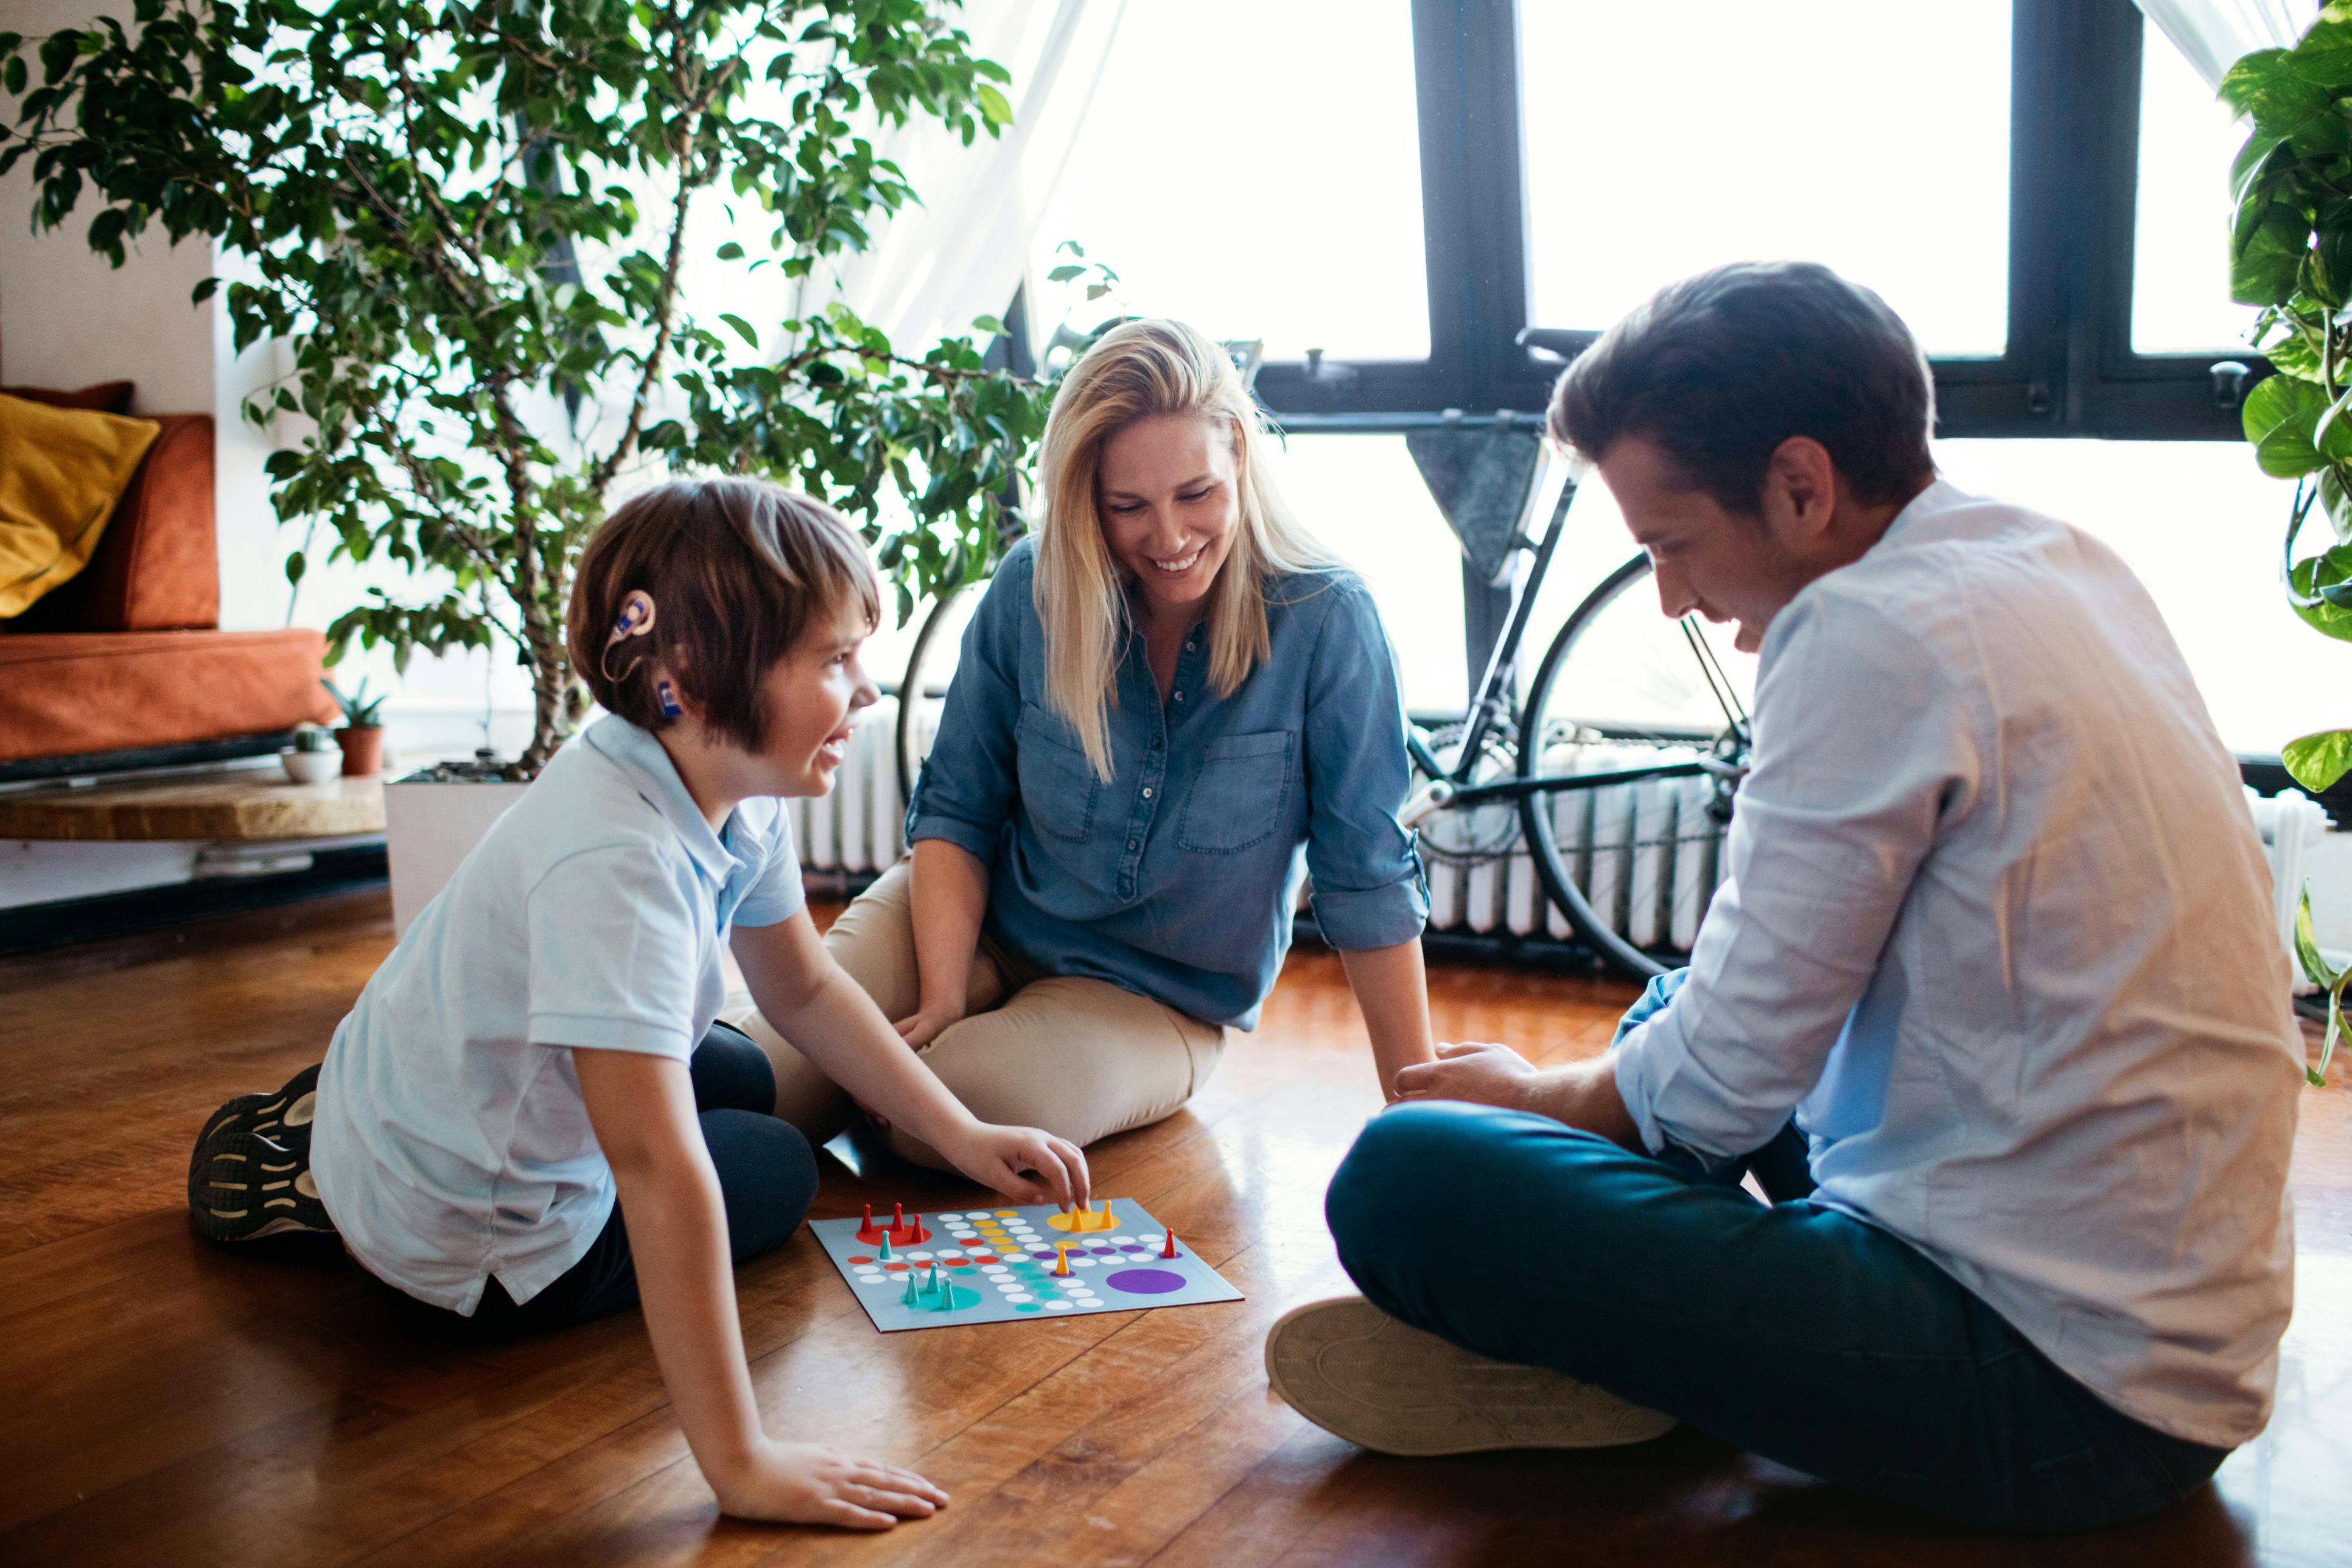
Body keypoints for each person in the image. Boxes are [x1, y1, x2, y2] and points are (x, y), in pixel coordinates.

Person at [1264, 262, 2305, 1532]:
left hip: (2065, 1395)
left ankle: (1619, 1342)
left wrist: (1538, 1105)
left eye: (1674, 543)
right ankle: (1658, 1335)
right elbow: (1744, 1016)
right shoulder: (2047, 555)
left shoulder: (1867, 628)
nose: (1673, 595)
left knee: (1405, 1174)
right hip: (2158, 1336)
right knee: (1668, 1004)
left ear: (1802, 487)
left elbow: (1720, 1091)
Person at [187, 478, 1090, 1529]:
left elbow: (798, 985)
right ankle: (339, 1195)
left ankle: (342, 1134)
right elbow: (658, 1172)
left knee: (747, 1072)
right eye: (836, 661)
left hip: (434, 1072)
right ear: (698, 679)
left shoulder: (710, 774)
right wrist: (741, 1463)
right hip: (475, 1250)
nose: (870, 691)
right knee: (775, 1167)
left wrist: (963, 1132)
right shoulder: (618, 864)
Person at [732, 319, 1433, 1162]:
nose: (1170, 540)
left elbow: (1368, 879)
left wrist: (1417, 1113)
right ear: (1083, 500)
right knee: (752, 1077)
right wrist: (945, 992)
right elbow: (959, 805)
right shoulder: (1032, 586)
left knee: (955, 1111)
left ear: (1240, 455)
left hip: (1154, 1000)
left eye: (1196, 494)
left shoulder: (1328, 621)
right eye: (1127, 508)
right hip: (976, 915)